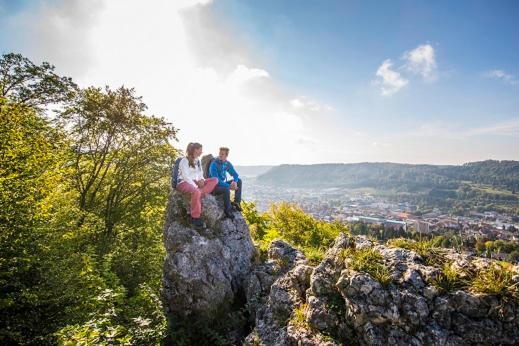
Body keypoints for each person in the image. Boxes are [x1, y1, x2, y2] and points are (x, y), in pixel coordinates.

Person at [176, 142, 218, 228]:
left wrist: (201, 180)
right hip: (183, 182)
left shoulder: (198, 161)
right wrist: (195, 187)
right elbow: (185, 176)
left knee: (214, 180)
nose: (201, 152)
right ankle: (195, 218)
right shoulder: (184, 160)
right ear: (195, 150)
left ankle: (199, 193)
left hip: (195, 182)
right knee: (196, 191)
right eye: (200, 150)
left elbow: (200, 173)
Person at [209, 147, 242, 219]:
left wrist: (234, 182)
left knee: (239, 181)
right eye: (219, 153)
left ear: (226, 155)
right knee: (226, 188)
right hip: (214, 187)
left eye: (222, 154)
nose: (220, 155)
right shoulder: (214, 164)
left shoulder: (227, 164)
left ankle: (237, 202)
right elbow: (216, 180)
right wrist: (229, 186)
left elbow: (235, 174)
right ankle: (228, 210)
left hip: (222, 185)